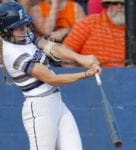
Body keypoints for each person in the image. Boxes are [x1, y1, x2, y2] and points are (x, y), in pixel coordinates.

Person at [0, 1, 101, 150]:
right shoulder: (14, 54)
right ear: (5, 32)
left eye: (26, 24)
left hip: (57, 103)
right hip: (39, 109)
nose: (25, 29)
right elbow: (51, 79)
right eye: (19, 27)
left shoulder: (23, 35)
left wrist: (81, 58)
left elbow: (50, 47)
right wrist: (86, 74)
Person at [63, 0, 136, 67]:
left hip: (132, 84)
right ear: (107, 5)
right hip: (91, 82)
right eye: (115, 3)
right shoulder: (89, 23)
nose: (120, 7)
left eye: (124, 4)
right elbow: (65, 54)